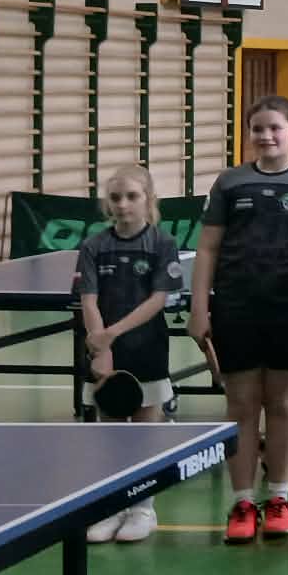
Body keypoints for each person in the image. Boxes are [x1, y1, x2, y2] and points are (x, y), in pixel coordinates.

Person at [188, 96, 288, 544]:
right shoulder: (230, 182)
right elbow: (208, 248)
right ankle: (242, 502)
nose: (266, 135)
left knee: (284, 402)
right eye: (257, 128)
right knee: (241, 405)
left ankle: (279, 498)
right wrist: (199, 307)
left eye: (275, 127)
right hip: (236, 305)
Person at [79, 164, 183, 544]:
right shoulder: (93, 246)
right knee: (109, 432)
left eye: (132, 196)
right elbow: (88, 300)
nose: (123, 204)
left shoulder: (162, 243)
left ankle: (143, 509)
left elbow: (158, 300)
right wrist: (100, 344)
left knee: (143, 431)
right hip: (103, 348)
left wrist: (111, 335)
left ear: (148, 199)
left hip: (146, 347)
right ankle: (114, 506)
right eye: (116, 198)